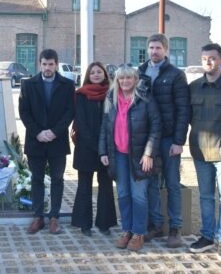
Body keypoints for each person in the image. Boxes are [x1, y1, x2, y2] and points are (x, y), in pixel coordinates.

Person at [99, 65, 162, 252]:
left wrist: (149, 153)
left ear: (135, 80)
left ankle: (138, 233)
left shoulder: (145, 99)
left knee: (139, 195)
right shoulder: (111, 99)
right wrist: (103, 152)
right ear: (117, 81)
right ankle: (126, 230)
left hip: (139, 156)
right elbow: (105, 128)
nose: (125, 82)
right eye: (121, 79)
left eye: (129, 78)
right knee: (124, 194)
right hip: (118, 155)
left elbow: (156, 127)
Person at [138, 33, 190, 248]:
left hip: (169, 138)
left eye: (158, 48)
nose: (154, 51)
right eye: (151, 47)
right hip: (148, 139)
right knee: (150, 182)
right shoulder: (140, 72)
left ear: (165, 50)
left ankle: (175, 228)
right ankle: (156, 225)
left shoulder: (176, 75)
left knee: (172, 183)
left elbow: (183, 110)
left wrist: (179, 141)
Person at [187, 43, 221, 261]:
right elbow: (187, 117)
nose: (208, 62)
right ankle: (207, 236)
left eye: (213, 58)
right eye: (205, 58)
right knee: (206, 197)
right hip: (200, 152)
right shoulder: (194, 87)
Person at [18, 49, 75, 235]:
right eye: (44, 64)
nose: (48, 68)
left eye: (51, 64)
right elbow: (24, 112)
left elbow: (70, 112)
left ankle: (54, 218)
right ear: (39, 64)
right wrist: (38, 133)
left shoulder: (67, 85)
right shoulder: (28, 85)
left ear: (56, 64)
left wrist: (54, 132)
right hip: (36, 141)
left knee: (58, 179)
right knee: (37, 179)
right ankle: (38, 217)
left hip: (57, 141)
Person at [71, 62, 117, 237]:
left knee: (105, 185)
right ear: (88, 75)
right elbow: (80, 122)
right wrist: (95, 145)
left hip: (107, 147)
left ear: (105, 74)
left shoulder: (112, 94)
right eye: (93, 72)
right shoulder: (81, 95)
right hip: (86, 147)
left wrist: (104, 146)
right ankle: (84, 224)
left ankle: (104, 224)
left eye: (99, 72)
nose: (96, 75)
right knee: (84, 186)